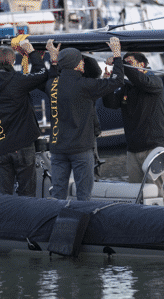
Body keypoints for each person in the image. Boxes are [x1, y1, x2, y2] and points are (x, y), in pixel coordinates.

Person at [47, 37, 124, 201]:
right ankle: (82, 225)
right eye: (81, 61)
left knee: (58, 194)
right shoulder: (85, 85)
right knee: (83, 195)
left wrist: (54, 59)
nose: (83, 63)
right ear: (76, 64)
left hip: (57, 149)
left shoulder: (51, 84)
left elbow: (53, 73)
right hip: (80, 148)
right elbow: (117, 80)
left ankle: (55, 223)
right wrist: (117, 54)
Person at [0, 38, 59, 197]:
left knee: (4, 194)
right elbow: (41, 74)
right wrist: (32, 53)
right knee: (27, 193)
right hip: (22, 146)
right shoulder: (16, 80)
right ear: (11, 60)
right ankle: (26, 221)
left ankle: (6, 222)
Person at [103, 51, 164, 183]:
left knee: (155, 191)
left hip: (154, 147)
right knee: (135, 191)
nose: (125, 67)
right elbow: (110, 103)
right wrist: (108, 83)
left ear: (142, 65)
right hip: (133, 149)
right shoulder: (127, 88)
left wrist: (119, 61)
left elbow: (140, 80)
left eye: (129, 63)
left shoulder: (154, 81)